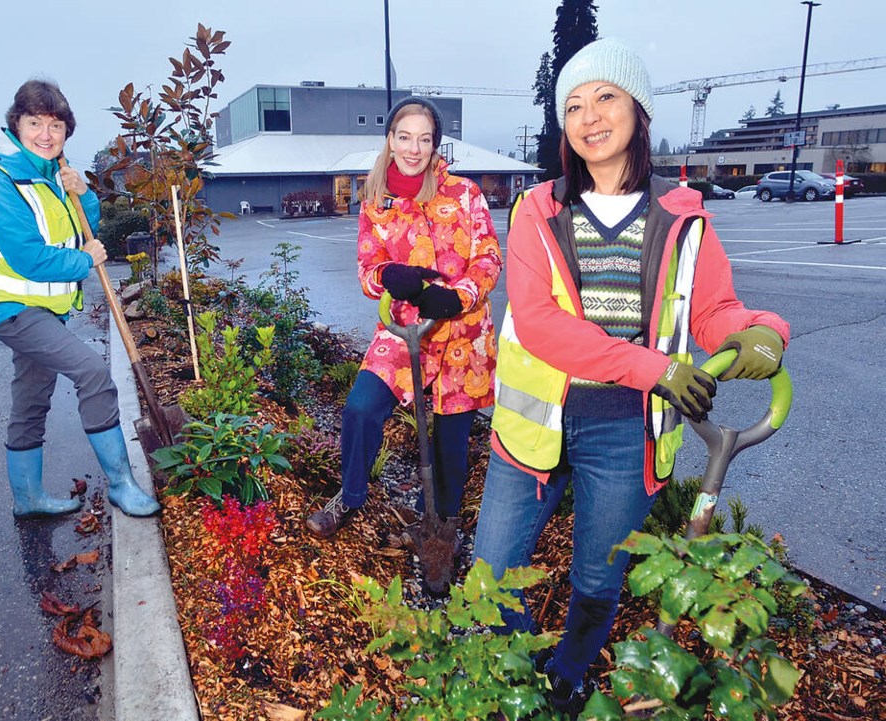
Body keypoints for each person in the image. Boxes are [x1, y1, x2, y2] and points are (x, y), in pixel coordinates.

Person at [470, 38, 790, 714]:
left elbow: (713, 311)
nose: (589, 117)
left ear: (637, 110)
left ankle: (564, 677)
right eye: (574, 106)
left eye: (605, 97)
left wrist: (761, 331)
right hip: (532, 427)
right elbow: (539, 322)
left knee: (596, 578)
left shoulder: (682, 220)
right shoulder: (537, 211)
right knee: (491, 573)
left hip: (626, 434)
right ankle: (518, 668)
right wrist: (654, 367)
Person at [0, 79, 160, 518]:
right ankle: (122, 485)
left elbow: (83, 227)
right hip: (12, 308)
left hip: (44, 309)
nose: (46, 134)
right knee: (93, 375)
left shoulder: (49, 173)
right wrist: (84, 263)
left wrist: (83, 194)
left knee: (32, 396)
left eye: (56, 125)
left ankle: (27, 498)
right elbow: (29, 257)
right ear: (17, 124)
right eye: (35, 123)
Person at [306, 96, 502, 538]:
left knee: (451, 443)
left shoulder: (464, 193)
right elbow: (367, 271)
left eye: (424, 139)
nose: (414, 149)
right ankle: (351, 495)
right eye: (405, 137)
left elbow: (489, 257)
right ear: (390, 140)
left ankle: (440, 526)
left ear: (436, 145)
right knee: (360, 407)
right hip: (404, 329)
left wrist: (458, 298)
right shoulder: (376, 202)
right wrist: (389, 274)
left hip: (462, 336)